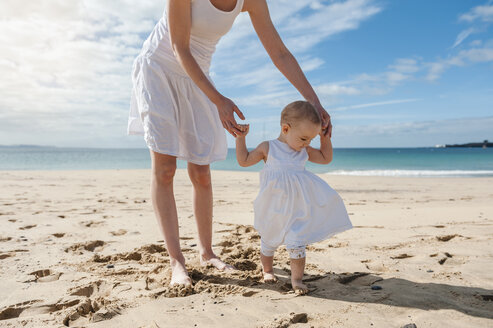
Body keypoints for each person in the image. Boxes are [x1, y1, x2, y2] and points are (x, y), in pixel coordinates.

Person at [127, 0, 332, 287]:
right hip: (160, 69)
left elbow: (280, 53)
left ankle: (207, 252)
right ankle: (177, 262)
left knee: (201, 172)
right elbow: (179, 49)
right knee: (165, 169)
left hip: (198, 78)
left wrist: (314, 101)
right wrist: (219, 100)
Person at [235, 101, 352, 295]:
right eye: (304, 138)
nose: (307, 144)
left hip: (297, 209)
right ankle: (268, 270)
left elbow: (325, 158)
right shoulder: (268, 148)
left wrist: (325, 137)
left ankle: (297, 279)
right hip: (273, 207)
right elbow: (244, 161)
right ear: (285, 128)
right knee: (268, 241)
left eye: (310, 140)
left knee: (297, 242)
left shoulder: (303, 151)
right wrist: (240, 138)